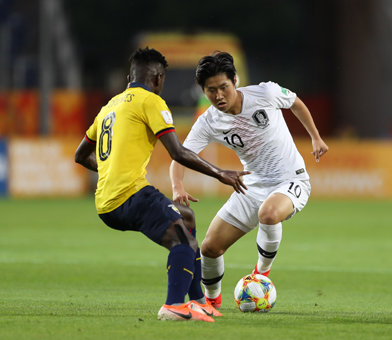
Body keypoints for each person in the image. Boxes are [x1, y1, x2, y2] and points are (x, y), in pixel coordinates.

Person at [74, 47, 250, 322]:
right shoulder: (151, 101)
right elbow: (178, 153)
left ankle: (199, 302)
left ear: (129, 75)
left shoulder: (109, 106)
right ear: (158, 78)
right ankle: (172, 306)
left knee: (186, 218)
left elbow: (80, 155)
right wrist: (220, 173)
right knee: (183, 241)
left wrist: (108, 170)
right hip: (129, 195)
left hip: (105, 202)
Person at [170, 51, 328, 308]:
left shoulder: (265, 94)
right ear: (203, 90)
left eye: (224, 87)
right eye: (211, 90)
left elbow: (296, 102)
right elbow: (180, 156)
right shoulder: (208, 122)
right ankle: (211, 303)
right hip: (251, 186)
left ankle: (261, 275)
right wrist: (178, 186)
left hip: (291, 180)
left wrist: (315, 137)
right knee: (209, 248)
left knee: (269, 214)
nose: (219, 95)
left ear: (235, 80)